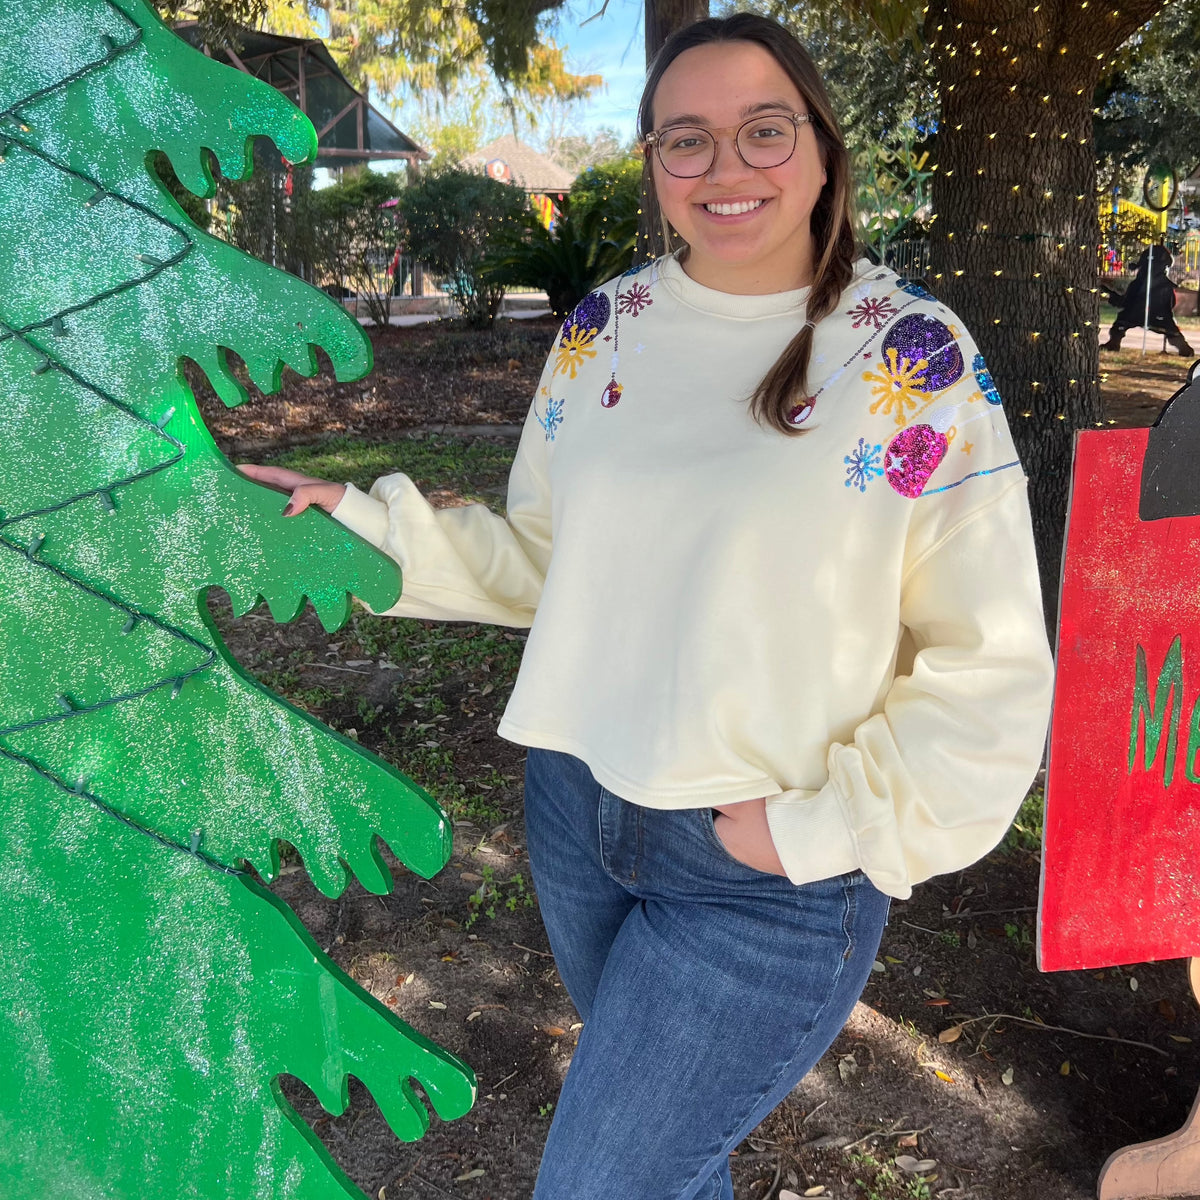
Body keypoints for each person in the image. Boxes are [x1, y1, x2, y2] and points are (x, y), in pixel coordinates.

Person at [241, 14, 1053, 1198]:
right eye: (688, 140)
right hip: (579, 811)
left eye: (763, 131)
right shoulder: (603, 332)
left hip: (763, 870)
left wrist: (818, 833)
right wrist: (370, 524)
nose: (727, 169)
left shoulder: (910, 358)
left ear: (824, 149)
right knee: (676, 1167)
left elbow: (988, 667)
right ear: (656, 163)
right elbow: (548, 558)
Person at [1102, 244, 1194, 355]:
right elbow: (1127, 301)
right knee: (1121, 321)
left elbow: (1169, 304)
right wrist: (1112, 295)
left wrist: (1116, 298)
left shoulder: (1163, 286)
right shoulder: (1139, 284)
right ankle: (1113, 343)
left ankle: (1185, 349)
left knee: (1172, 331)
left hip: (1158, 317)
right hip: (1139, 315)